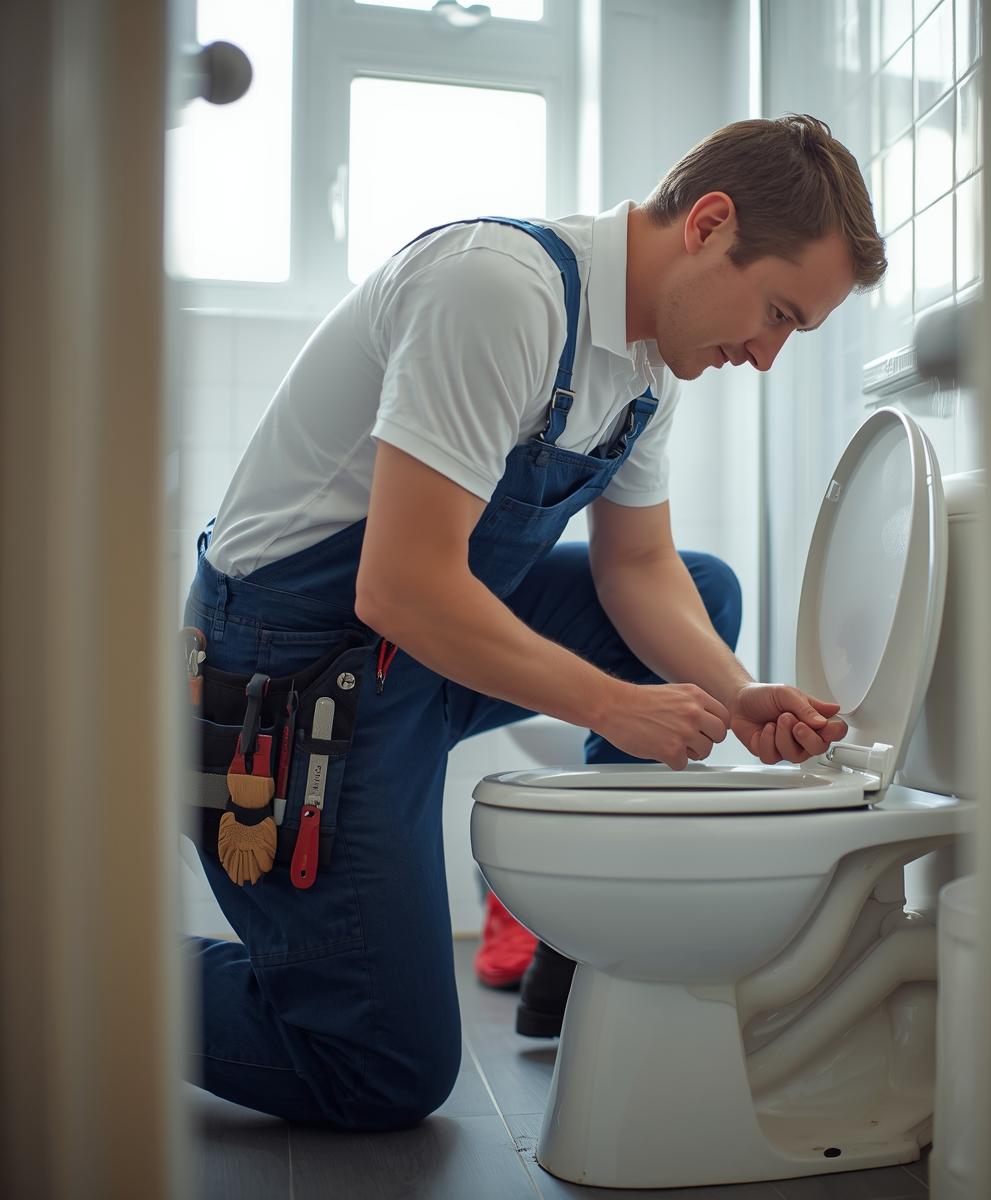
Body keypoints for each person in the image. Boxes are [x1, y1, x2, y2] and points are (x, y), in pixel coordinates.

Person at [183, 113, 886, 1130]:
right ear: (709, 225)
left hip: (410, 659)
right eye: (777, 313)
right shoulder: (496, 292)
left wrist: (738, 697)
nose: (767, 356)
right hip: (294, 682)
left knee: (706, 589)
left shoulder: (647, 369)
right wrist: (615, 707)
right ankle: (72, 976)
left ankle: (589, 956)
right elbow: (402, 586)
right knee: (382, 1071)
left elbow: (638, 569)